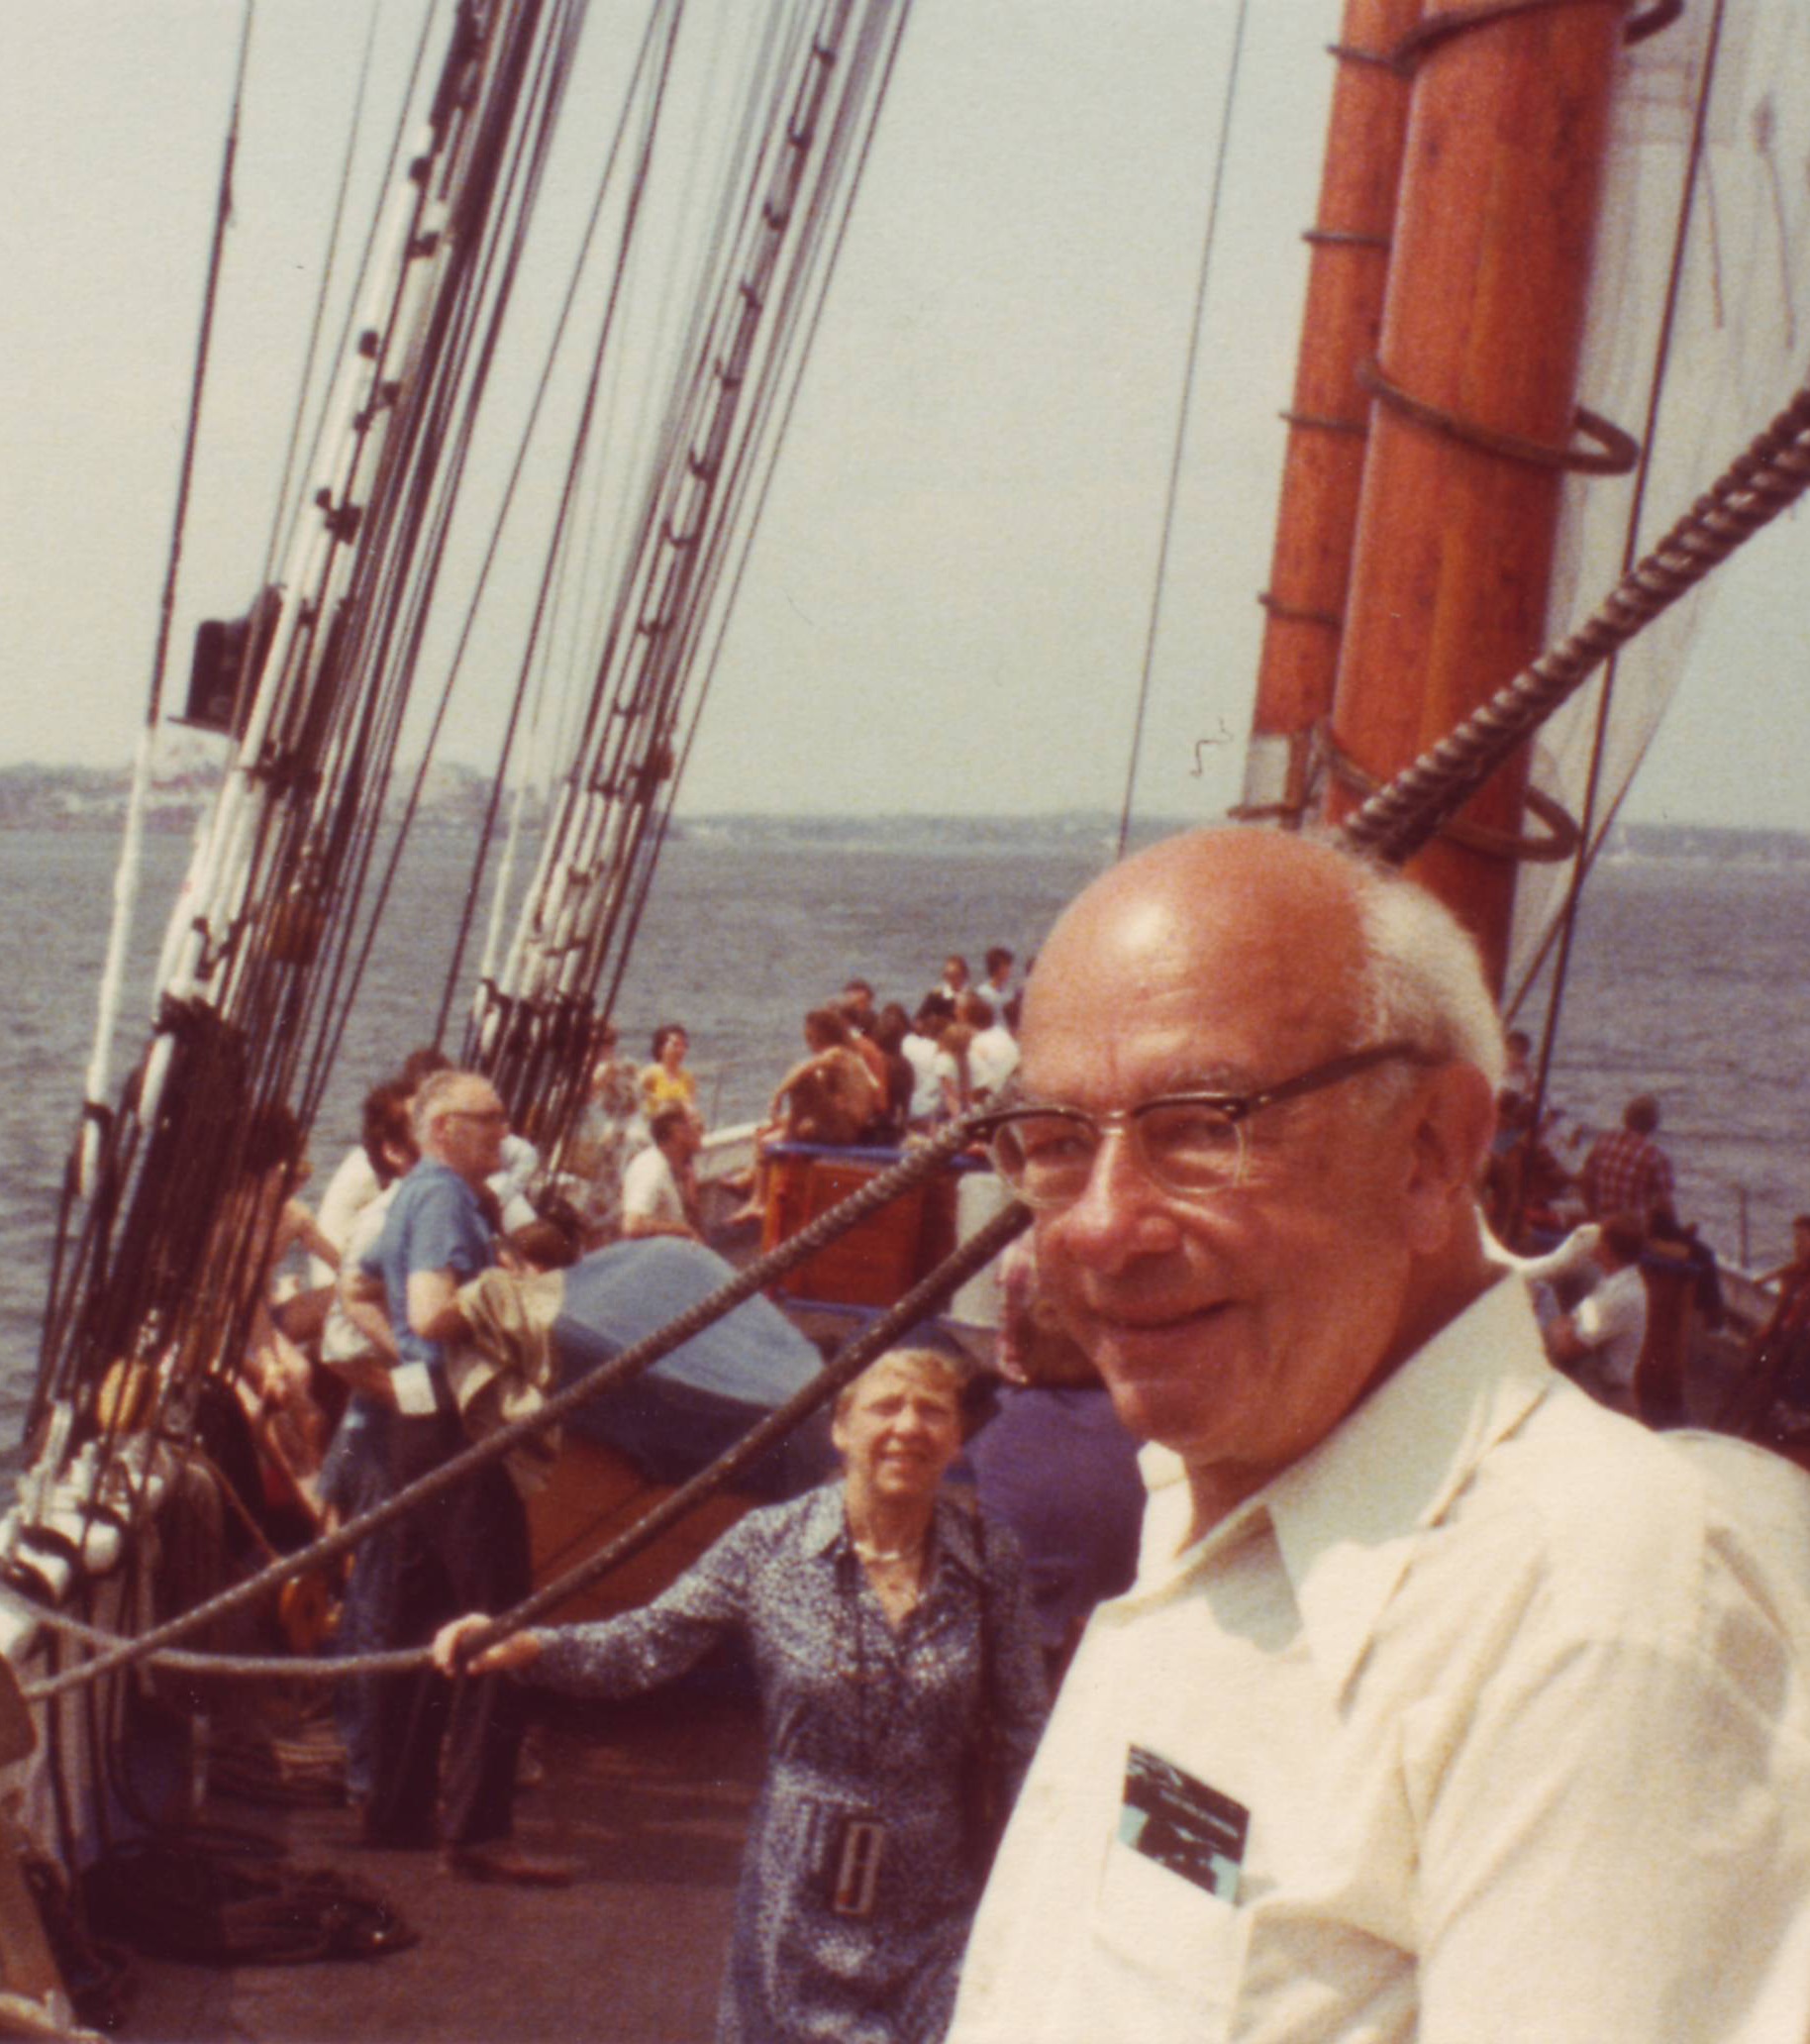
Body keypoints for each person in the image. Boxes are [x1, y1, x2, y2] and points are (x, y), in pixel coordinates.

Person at [950, 826, 1810, 2043]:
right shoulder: (1215, 1496)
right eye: (1052, 1144)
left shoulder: (1588, 1621)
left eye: (1201, 1127)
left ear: (1430, 1153)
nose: (1098, 1228)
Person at [434, 1348, 1049, 2044]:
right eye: (886, 1406)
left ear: (957, 1438)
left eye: (931, 1411)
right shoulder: (767, 1545)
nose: (908, 1426)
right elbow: (645, 1643)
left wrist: (1036, 1879)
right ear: (840, 1429)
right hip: (797, 1897)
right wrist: (528, 1645)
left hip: (939, 1897)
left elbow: (1027, 1727)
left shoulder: (988, 1557)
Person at [339, 1069, 562, 1883]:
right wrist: (518, 1293)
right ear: (441, 1129)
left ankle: (393, 1814)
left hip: (413, 1430)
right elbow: (433, 1306)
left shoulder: (410, 1194)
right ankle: (477, 1833)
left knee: (416, 1615)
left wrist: (406, 1356)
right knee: (497, 1622)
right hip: (458, 1440)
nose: (504, 1130)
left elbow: (359, 1284)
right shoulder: (440, 1198)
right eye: (489, 1118)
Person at [1543, 1210, 1649, 1417]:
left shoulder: (1620, 1296)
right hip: (1599, 1385)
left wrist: (1557, 1327)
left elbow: (1566, 1347)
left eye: (1599, 1239)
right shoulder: (1610, 1283)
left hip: (1609, 1398)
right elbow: (1572, 1322)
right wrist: (1565, 1326)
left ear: (1607, 1249)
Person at [1577, 1090, 1674, 1224]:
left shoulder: (1604, 1141)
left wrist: (1593, 1215)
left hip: (1603, 1221)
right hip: (1634, 1230)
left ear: (1626, 1118)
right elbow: (1665, 1206)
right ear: (1653, 1124)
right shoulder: (1655, 1156)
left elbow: (1585, 1183)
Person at [621, 1103, 703, 1242]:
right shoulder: (651, 1168)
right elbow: (633, 1226)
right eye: (698, 1125)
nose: (702, 1130)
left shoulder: (677, 1166)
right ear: (677, 1131)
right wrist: (684, 1231)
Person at [643, 1021, 701, 1125]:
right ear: (661, 1048)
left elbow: (691, 1108)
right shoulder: (650, 1074)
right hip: (655, 1129)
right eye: (675, 1045)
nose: (680, 1050)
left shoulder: (687, 1078)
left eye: (684, 1045)